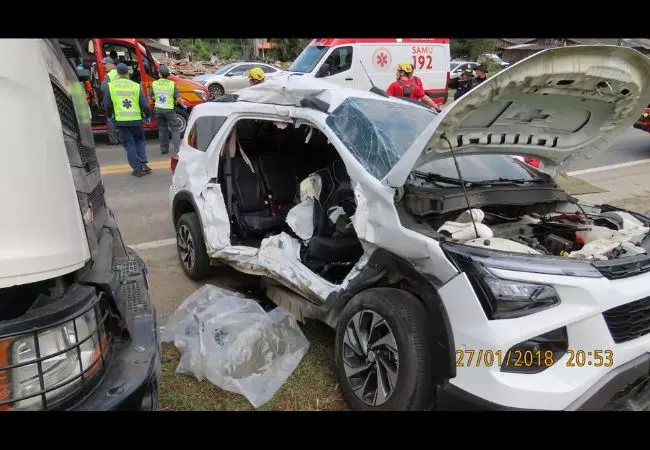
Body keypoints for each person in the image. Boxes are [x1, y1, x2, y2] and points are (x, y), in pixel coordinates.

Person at [103, 63, 152, 178]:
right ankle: (143, 163)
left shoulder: (111, 86)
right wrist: (147, 116)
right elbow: (145, 105)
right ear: (127, 72)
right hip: (136, 120)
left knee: (129, 144)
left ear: (118, 73)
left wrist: (110, 116)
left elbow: (107, 104)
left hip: (121, 121)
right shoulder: (135, 85)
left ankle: (137, 168)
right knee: (139, 141)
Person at [150, 65, 182, 155]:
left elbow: (152, 96)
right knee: (175, 130)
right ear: (168, 75)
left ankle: (164, 150)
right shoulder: (172, 84)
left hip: (158, 110)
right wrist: (183, 105)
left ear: (159, 74)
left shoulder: (154, 83)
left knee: (162, 129)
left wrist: (156, 99)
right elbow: (178, 98)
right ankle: (177, 150)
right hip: (169, 110)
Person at [100, 57, 120, 145]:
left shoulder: (110, 75)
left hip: (111, 100)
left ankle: (113, 140)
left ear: (111, 64)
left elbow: (103, 88)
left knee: (110, 120)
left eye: (105, 64)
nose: (104, 66)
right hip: (120, 99)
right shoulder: (121, 72)